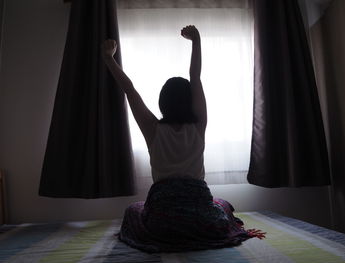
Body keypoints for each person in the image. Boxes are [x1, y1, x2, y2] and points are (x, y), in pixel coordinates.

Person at [101, 25, 264, 253]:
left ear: (162, 103)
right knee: (222, 205)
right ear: (190, 102)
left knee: (133, 210)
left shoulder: (153, 129)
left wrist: (109, 58)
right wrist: (196, 41)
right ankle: (200, 227)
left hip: (162, 221)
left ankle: (172, 230)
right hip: (201, 217)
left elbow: (129, 90)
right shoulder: (199, 126)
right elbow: (195, 78)